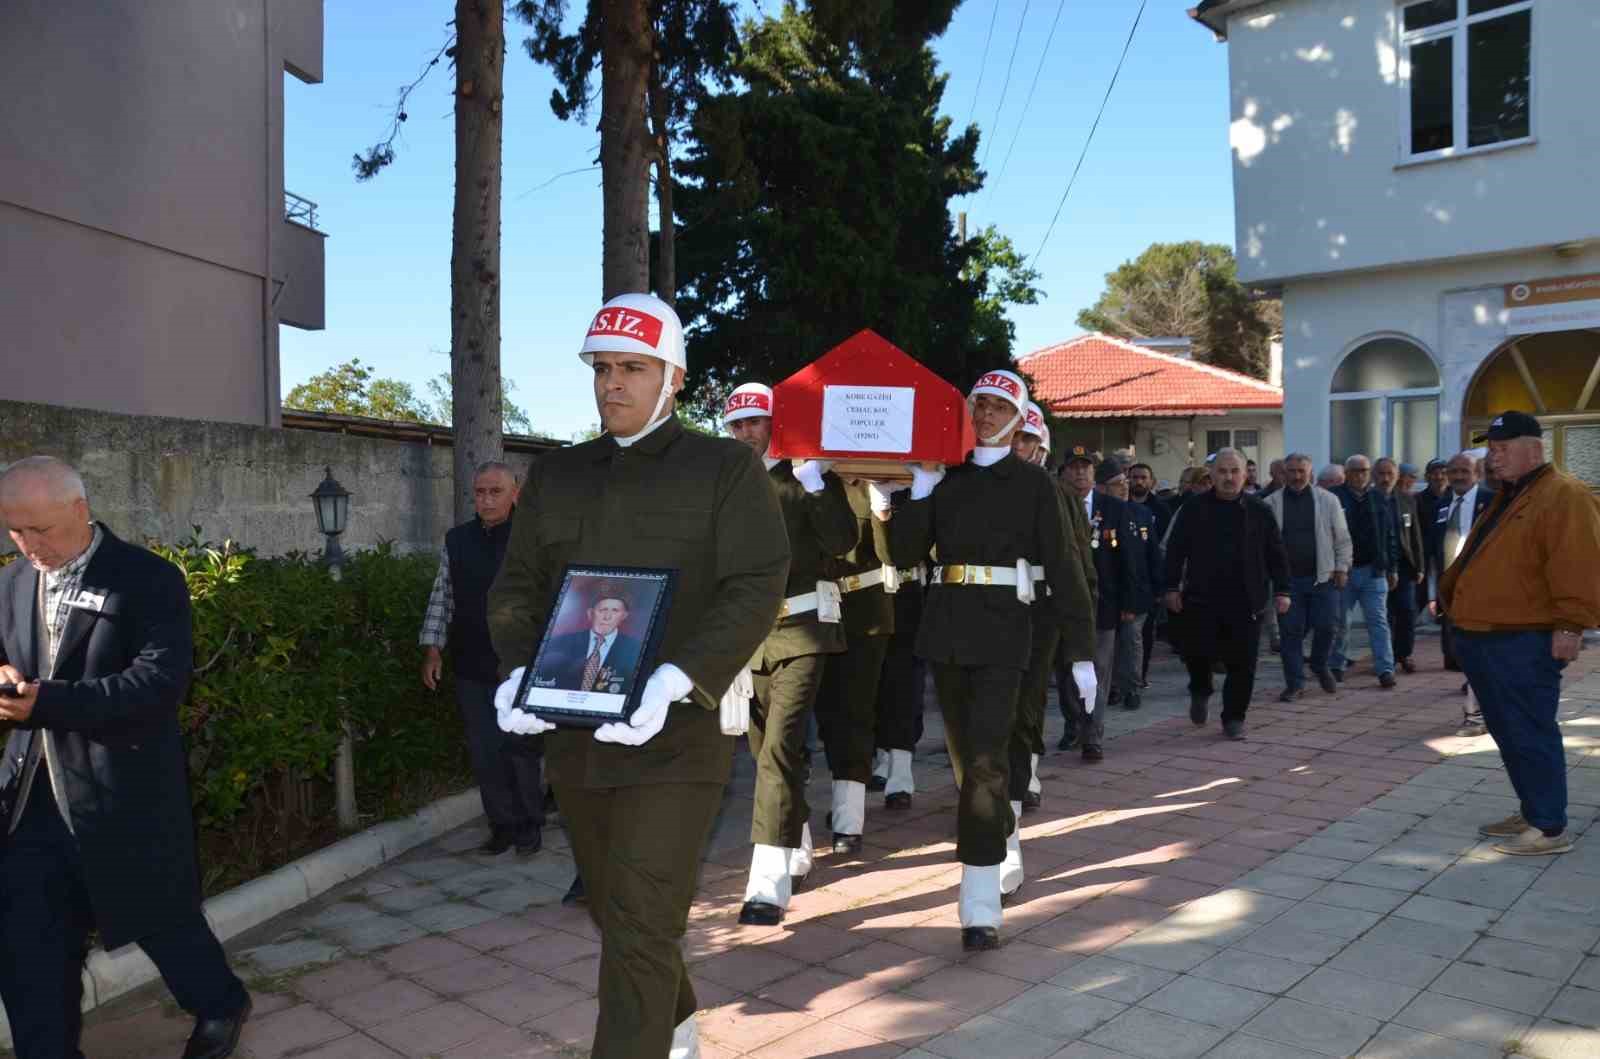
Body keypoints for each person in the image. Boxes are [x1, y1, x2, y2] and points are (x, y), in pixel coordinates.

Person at [488, 294, 789, 1058]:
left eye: (632, 367)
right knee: (622, 914)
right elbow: (519, 584)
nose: (612, 383)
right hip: (576, 735)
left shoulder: (725, 469)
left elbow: (756, 581)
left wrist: (678, 678)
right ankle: (677, 1026)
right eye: (602, 368)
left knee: (644, 917)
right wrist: (520, 665)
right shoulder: (558, 475)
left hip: (679, 735)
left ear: (675, 376)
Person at [0, 456, 252, 1059]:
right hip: (29, 798)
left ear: (81, 511)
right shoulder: (9, 583)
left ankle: (219, 1004)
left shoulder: (146, 579)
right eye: (15, 530)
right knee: (26, 938)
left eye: (43, 530)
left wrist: (47, 703)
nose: (30, 545)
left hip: (122, 790)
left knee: (163, 921)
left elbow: (157, 686)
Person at [888, 370, 1094, 951]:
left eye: (999, 404)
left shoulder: (1035, 486)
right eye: (978, 403)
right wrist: (917, 495)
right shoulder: (946, 481)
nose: (985, 412)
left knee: (984, 760)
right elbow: (904, 556)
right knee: (966, 766)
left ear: (1017, 415)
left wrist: (1081, 651)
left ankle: (978, 901)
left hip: (1007, 632)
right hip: (949, 629)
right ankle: (1001, 836)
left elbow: (1064, 565)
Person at [719, 381, 853, 925]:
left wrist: (816, 482)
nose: (747, 432)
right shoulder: (726, 485)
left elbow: (843, 541)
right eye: (737, 425)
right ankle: (795, 842)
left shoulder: (807, 475)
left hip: (803, 629)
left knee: (779, 748)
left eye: (755, 422)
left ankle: (767, 882)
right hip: (749, 638)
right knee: (770, 753)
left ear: (777, 422)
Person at [1439, 411, 1600, 856]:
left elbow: (1579, 565)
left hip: (1523, 639)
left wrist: (1571, 626)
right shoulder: (1512, 494)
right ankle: (1534, 810)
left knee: (1530, 731)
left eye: (1503, 447)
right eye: (1491, 448)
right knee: (1510, 733)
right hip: (1488, 635)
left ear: (1535, 447)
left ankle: (1549, 828)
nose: (1494, 457)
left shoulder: (1564, 495)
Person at [420, 461, 546, 858]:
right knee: (485, 751)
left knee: (522, 747)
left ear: (515, 494)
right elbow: (443, 597)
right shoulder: (457, 541)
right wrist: (432, 649)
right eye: (480, 492)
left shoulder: (533, 539)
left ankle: (530, 826)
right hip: (471, 662)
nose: (486, 499)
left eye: (495, 491)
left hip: (521, 664)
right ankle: (502, 826)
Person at [1164, 449, 1291, 739]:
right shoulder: (1194, 508)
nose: (1229, 477)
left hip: (1247, 600)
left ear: (1245, 475)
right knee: (1197, 655)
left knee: (1243, 664)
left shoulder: (1260, 511)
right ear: (1212, 475)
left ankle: (1234, 718)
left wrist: (1283, 590)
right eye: (1222, 471)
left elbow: (1276, 554)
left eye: (1235, 471)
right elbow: (1174, 551)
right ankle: (1200, 690)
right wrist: (1171, 587)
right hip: (1201, 599)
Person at [1009, 407, 1094, 810]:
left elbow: (1077, 560)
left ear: (1041, 446)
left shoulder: (1060, 494)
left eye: (1027, 439)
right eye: (1014, 437)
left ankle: (1025, 774)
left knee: (1030, 696)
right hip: (991, 606)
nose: (1018, 446)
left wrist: (1079, 620)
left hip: (1041, 609)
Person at [815, 474, 899, 854]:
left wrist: (881, 505)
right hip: (812, 612)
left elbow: (892, 553)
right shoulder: (806, 478)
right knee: (825, 715)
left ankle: (849, 817)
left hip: (863, 611)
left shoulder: (874, 482)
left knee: (855, 713)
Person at [1059, 454, 1137, 760]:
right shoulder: (1054, 506)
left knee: (1098, 670)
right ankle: (1073, 724)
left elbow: (1128, 560)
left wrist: (1129, 604)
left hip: (1103, 605)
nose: (1080, 473)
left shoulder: (1114, 509)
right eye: (1073, 468)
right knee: (1067, 671)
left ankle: (1093, 734)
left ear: (1094, 474)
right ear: (1063, 473)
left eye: (1085, 468)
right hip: (1063, 604)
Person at [1263, 454, 1351, 700]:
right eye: (1291, 471)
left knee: (1327, 626)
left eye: (1301, 471)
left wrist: (1342, 567)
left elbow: (1342, 538)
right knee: (1290, 633)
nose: (1296, 476)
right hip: (1287, 583)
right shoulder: (1270, 503)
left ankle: (1319, 664)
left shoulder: (1328, 500)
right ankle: (1295, 684)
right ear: (1283, 473)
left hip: (1323, 578)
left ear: (1310, 473)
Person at [1428, 450, 1495, 733]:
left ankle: (1476, 714)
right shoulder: (1441, 505)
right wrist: (1433, 593)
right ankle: (1480, 706)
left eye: (1464, 471)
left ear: (1476, 474)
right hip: (1451, 592)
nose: (1457, 476)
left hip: (1484, 591)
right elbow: (1433, 553)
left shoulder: (1492, 502)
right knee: (1465, 651)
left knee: (1479, 651)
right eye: (1452, 471)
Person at [1329, 455, 1400, 688]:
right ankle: (1336, 665)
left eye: (1365, 470)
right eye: (1355, 470)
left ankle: (1385, 669)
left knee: (1378, 622)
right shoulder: (1334, 497)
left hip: (1374, 570)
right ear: (1346, 473)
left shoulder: (1379, 498)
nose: (1360, 474)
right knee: (1340, 622)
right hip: (1344, 571)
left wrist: (1392, 568)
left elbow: (1391, 535)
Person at [1376, 459, 1427, 674]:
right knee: (1383, 615)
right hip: (1378, 567)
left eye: (1390, 473)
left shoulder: (1407, 500)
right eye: (1381, 474)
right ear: (1374, 476)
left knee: (1407, 611)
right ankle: (1386, 658)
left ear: (1396, 475)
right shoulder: (1369, 500)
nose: (1386, 478)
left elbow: (1415, 534)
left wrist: (1420, 566)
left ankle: (1404, 654)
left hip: (1405, 567)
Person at [1126, 462, 1170, 686]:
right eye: (1134, 477)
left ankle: (1140, 675)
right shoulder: (1119, 506)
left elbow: (1161, 548)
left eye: (1143, 477)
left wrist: (1161, 585)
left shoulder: (1161, 509)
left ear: (1151, 481)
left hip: (1149, 579)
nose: (1138, 482)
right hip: (1126, 578)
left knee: (1145, 633)